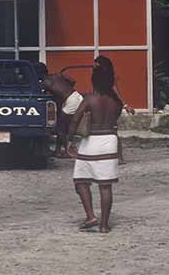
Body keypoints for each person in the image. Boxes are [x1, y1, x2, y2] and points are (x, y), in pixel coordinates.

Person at [67, 63, 123, 233]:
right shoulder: (116, 102)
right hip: (110, 140)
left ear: (94, 81)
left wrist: (69, 140)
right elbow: (115, 118)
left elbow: (75, 119)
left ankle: (91, 216)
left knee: (80, 180)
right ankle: (104, 225)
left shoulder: (89, 99)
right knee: (105, 186)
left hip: (91, 142)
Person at [43, 73, 82, 158]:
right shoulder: (58, 75)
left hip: (71, 101)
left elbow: (47, 96)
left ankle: (68, 151)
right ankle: (57, 151)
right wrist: (66, 89)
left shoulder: (46, 82)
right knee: (62, 129)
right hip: (75, 95)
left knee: (60, 129)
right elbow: (73, 81)